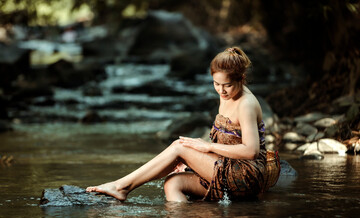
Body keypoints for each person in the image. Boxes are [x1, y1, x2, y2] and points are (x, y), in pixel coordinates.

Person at [86, 47, 277, 202]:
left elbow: (250, 151)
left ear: (241, 79)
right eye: (216, 84)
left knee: (180, 146)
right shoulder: (226, 95)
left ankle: (121, 187)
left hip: (246, 176)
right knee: (172, 184)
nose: (221, 90)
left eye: (226, 85)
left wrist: (205, 147)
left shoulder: (246, 104)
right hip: (226, 168)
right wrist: (194, 162)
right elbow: (227, 143)